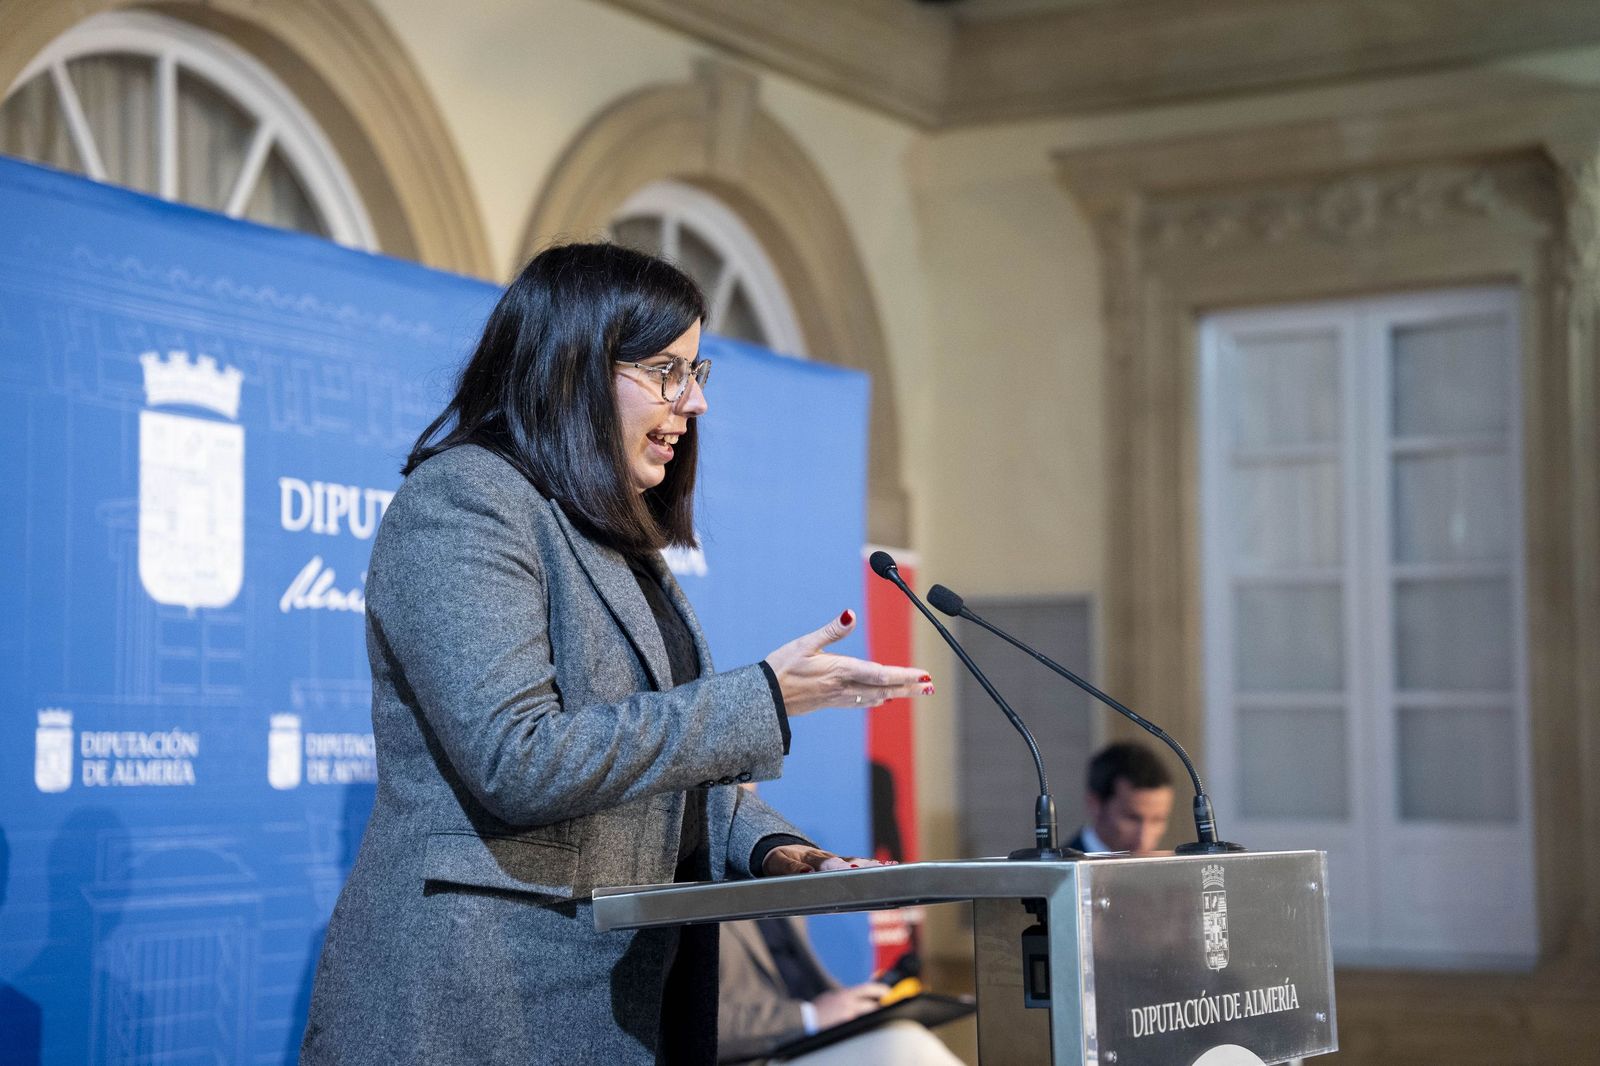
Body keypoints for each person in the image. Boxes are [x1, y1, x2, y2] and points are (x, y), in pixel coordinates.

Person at [299, 243, 932, 1066]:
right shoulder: (466, 501)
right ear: (573, 367)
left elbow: (648, 772)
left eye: (697, 371)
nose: (695, 401)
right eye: (668, 370)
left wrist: (779, 850)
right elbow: (517, 759)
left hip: (621, 998)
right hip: (479, 1004)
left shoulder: (611, 533)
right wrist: (761, 698)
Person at [718, 915, 963, 1065]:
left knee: (901, 1030)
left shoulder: (768, 874)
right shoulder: (688, 879)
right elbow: (687, 1026)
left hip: (816, 1042)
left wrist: (855, 1011)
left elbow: (801, 978)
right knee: (904, 1044)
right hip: (754, 1057)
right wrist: (809, 1017)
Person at [1066, 741, 1174, 854]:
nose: (1144, 839)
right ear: (1095, 805)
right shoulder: (1058, 870)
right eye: (1132, 818)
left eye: (1158, 819)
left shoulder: (1166, 870)